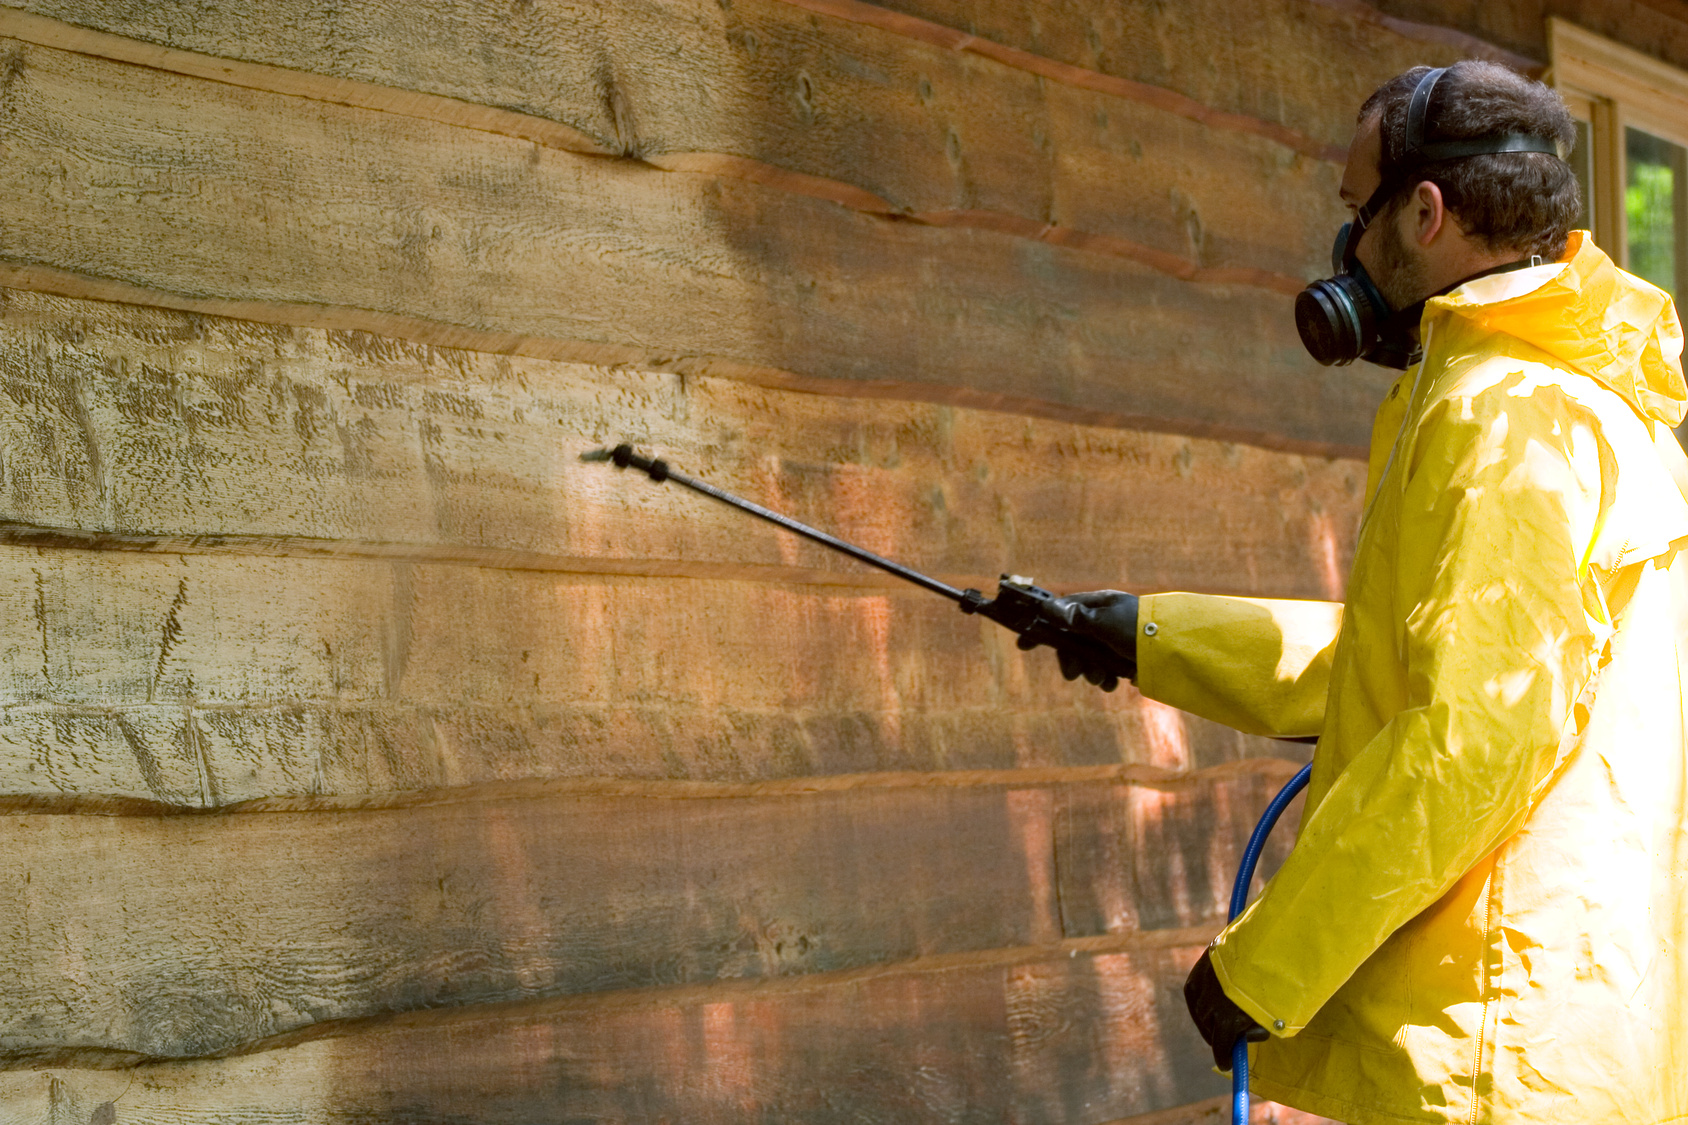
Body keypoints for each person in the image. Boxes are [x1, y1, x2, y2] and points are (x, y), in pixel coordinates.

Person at [1048, 61, 1688, 1125]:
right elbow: (1413, 657)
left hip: (1490, 1045)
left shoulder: (1503, 417)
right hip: (1560, 1029)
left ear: (1424, 213)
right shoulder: (1581, 402)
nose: (1347, 247)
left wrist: (1263, 967)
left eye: (1357, 211)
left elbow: (1472, 739)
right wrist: (1144, 636)